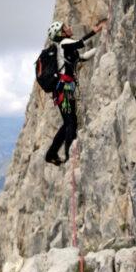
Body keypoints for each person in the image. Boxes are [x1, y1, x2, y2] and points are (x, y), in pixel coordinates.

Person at [44, 19, 105, 167]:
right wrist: (94, 32)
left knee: (67, 123)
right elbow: (79, 43)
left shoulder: (66, 48)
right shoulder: (64, 43)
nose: (70, 27)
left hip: (65, 89)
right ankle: (70, 154)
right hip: (63, 90)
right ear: (62, 33)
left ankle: (52, 154)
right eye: (66, 27)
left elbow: (81, 58)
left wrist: (100, 47)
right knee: (71, 122)